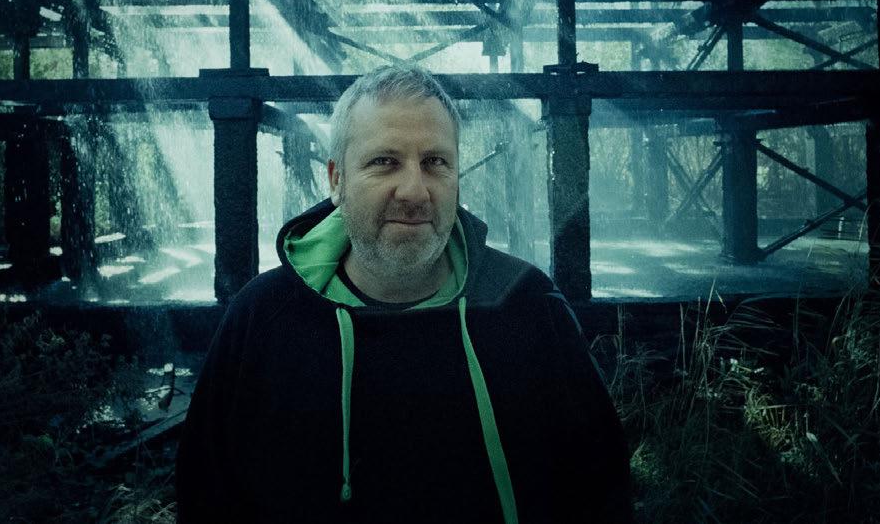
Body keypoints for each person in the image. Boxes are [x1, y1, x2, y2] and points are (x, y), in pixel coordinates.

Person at [176, 66, 632, 523]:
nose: (415, 191)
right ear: (336, 180)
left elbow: (600, 492)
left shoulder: (528, 307)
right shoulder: (262, 319)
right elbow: (206, 497)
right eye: (384, 161)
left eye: (435, 162)